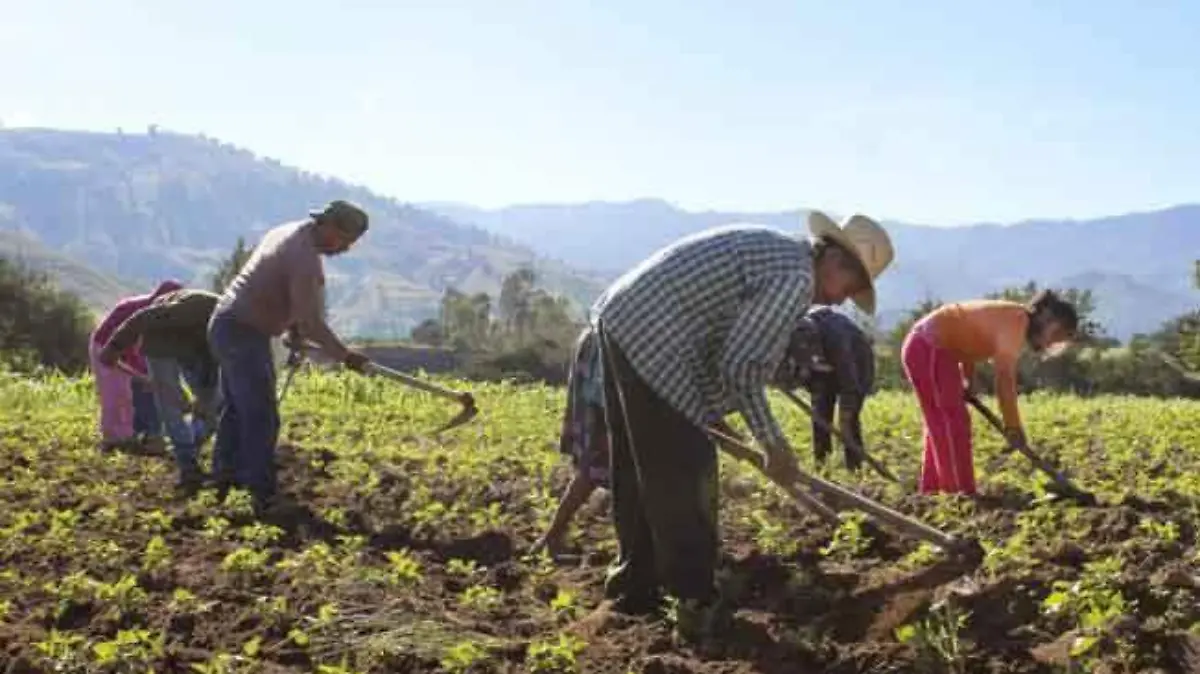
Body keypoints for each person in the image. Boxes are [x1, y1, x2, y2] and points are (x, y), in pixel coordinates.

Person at [590, 210, 894, 639]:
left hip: (626, 320)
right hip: (654, 335)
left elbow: (723, 347)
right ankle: (696, 603)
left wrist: (719, 420)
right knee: (688, 470)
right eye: (852, 287)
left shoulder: (782, 258)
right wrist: (773, 442)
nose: (843, 301)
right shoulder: (793, 279)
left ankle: (632, 591)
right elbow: (741, 367)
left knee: (641, 470)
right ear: (836, 262)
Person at [208, 200, 372, 515]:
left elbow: (290, 304)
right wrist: (345, 355)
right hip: (242, 331)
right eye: (345, 241)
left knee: (237, 411)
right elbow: (311, 320)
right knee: (261, 415)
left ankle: (224, 480)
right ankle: (261, 495)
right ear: (329, 227)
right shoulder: (304, 257)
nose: (346, 249)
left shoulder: (290, 233)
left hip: (228, 326)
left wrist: (295, 334)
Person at [901, 290, 1079, 495]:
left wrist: (967, 379)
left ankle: (932, 491)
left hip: (934, 347)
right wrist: (1013, 426)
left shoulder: (1013, 319)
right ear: (1046, 319)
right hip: (929, 346)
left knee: (943, 422)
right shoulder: (1016, 322)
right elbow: (1004, 379)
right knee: (951, 422)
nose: (1052, 343)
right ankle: (958, 492)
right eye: (1055, 335)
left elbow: (966, 334)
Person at [99, 287, 223, 489]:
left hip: (195, 349)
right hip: (160, 342)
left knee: (214, 404)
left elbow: (213, 365)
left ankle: (192, 444)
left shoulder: (232, 334)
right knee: (170, 407)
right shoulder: (198, 308)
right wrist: (115, 346)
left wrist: (205, 396)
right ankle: (188, 466)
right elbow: (143, 317)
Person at [529, 326, 609, 559]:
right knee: (600, 457)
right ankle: (551, 537)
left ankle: (552, 536)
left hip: (604, 346)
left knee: (602, 461)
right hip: (606, 354)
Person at [773, 306, 877, 472]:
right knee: (820, 416)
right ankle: (822, 467)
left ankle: (855, 468)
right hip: (824, 372)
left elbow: (850, 382)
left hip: (857, 366)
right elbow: (791, 372)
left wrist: (846, 413)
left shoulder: (836, 338)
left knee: (848, 423)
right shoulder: (794, 335)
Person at [89, 280, 183, 450]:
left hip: (128, 349)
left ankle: (137, 433)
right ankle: (113, 438)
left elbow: (145, 350)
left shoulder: (160, 314)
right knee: (116, 393)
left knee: (134, 391)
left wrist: (147, 375)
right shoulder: (141, 311)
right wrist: (142, 375)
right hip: (104, 346)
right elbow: (122, 346)